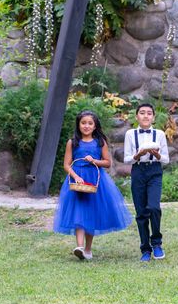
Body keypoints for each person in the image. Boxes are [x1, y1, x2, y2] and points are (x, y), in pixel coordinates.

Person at [53, 110, 132, 260]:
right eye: (83, 123)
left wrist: (94, 161)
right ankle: (79, 246)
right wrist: (76, 177)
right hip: (77, 180)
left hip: (96, 180)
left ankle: (88, 249)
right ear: (78, 125)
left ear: (95, 126)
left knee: (92, 213)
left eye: (90, 123)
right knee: (78, 211)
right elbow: (66, 164)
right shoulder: (73, 142)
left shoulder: (100, 142)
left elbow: (107, 163)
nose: (86, 126)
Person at [123, 103, 170, 262]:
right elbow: (127, 159)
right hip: (138, 172)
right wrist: (139, 154)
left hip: (155, 171)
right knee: (141, 212)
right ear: (136, 117)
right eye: (142, 113)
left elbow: (166, 159)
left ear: (153, 117)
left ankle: (157, 243)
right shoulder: (130, 134)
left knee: (154, 207)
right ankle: (145, 248)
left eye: (149, 113)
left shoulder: (160, 134)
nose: (145, 116)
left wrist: (156, 154)